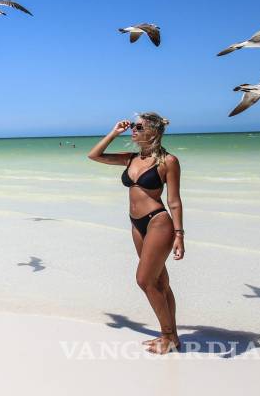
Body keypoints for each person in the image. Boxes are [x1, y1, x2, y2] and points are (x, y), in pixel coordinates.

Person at [87, 113, 185, 354]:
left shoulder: (168, 161)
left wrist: (179, 235)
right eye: (132, 126)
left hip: (158, 223)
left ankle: (167, 336)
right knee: (160, 281)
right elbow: (94, 155)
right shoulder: (130, 159)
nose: (133, 130)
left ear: (153, 131)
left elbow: (174, 201)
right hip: (136, 224)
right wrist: (114, 132)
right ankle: (173, 337)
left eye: (138, 127)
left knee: (144, 280)